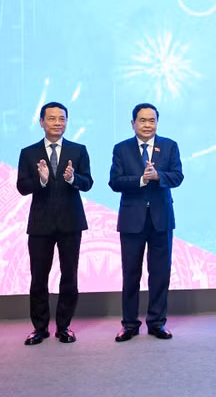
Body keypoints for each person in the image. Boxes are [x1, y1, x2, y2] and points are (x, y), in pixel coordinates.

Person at [16, 102, 93, 345]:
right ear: (41, 122)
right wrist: (40, 180)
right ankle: (39, 328)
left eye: (62, 118)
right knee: (38, 277)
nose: (57, 123)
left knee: (69, 276)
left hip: (71, 223)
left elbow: (88, 182)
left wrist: (73, 179)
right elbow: (21, 187)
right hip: (40, 224)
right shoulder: (28, 153)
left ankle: (64, 326)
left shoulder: (78, 150)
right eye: (52, 118)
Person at [109, 103, 184, 342]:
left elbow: (178, 175)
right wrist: (141, 180)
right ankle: (129, 324)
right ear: (133, 124)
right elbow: (115, 181)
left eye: (152, 120)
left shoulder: (170, 146)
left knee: (160, 273)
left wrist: (159, 176)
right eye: (142, 120)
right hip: (132, 220)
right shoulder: (121, 149)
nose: (147, 125)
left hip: (162, 219)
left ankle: (157, 322)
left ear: (157, 123)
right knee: (131, 273)